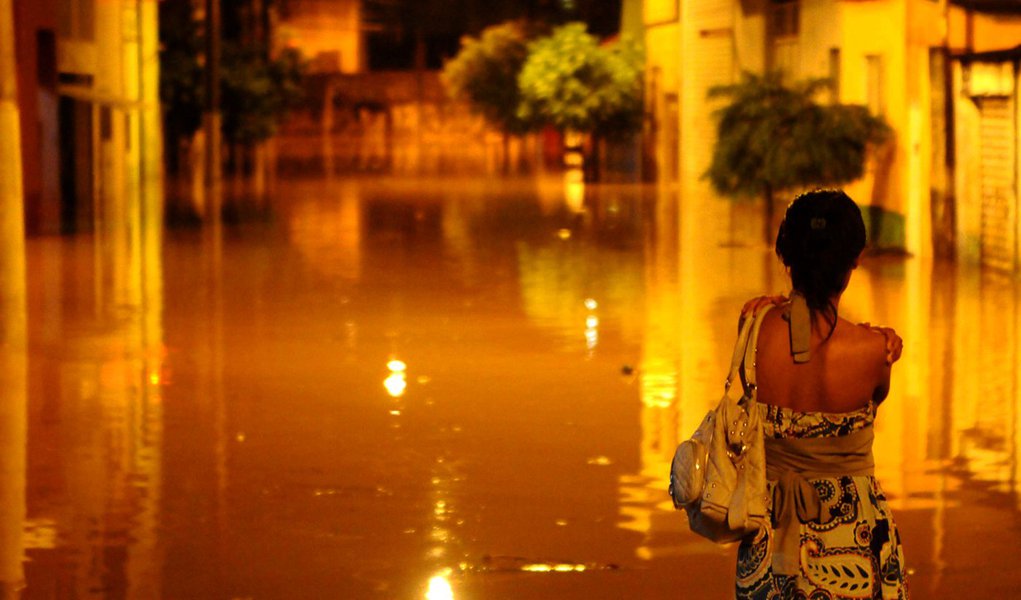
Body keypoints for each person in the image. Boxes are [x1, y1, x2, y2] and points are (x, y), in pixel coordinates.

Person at [734, 190, 909, 599]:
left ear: (784, 256)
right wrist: (872, 333)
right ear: (856, 259)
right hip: (857, 544)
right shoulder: (875, 352)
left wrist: (770, 306)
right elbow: (874, 398)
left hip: (768, 539)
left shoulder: (751, 328)